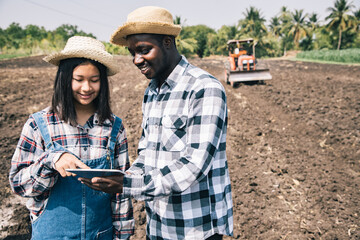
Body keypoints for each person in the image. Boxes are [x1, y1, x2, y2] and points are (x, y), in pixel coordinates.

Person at [81, 6, 233, 240]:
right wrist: (120, 176)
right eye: (133, 52)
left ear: (167, 43)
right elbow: (147, 154)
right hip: (158, 222)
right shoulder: (152, 92)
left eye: (143, 50)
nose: (136, 60)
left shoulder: (204, 88)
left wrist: (127, 184)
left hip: (195, 227)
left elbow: (194, 165)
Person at [9, 36, 134, 239]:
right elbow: (19, 185)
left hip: (100, 234)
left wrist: (123, 235)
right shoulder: (39, 125)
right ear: (65, 78)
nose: (87, 88)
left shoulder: (114, 128)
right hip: (51, 234)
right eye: (79, 79)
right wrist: (51, 160)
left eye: (94, 80)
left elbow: (121, 191)